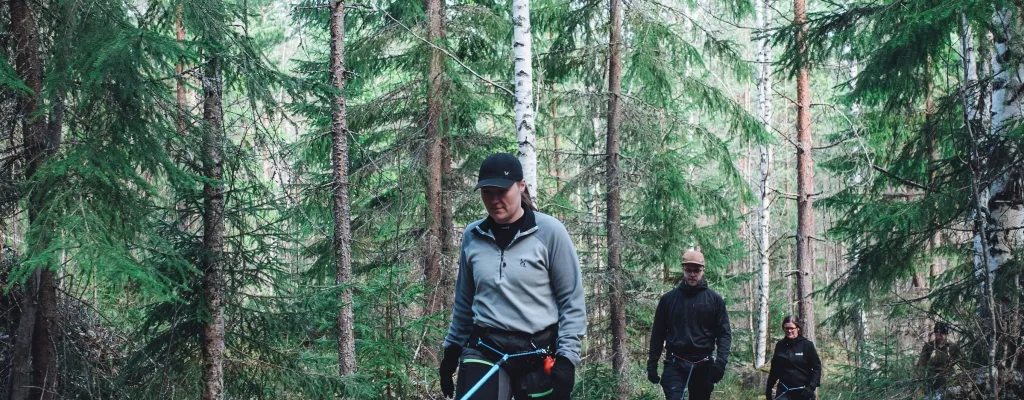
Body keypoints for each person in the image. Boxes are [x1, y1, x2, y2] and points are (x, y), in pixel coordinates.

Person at [438, 153, 586, 400]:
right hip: (485, 349)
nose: (494, 200)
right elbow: (464, 302)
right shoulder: (473, 236)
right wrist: (451, 351)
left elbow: (572, 302)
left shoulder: (550, 233)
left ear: (521, 186)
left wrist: (567, 359)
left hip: (538, 353)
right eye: (487, 192)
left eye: (502, 191)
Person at [647, 249, 733, 400]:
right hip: (675, 363)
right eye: (688, 270)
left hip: (704, 364)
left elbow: (724, 334)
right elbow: (658, 334)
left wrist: (720, 363)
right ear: (683, 270)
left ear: (703, 270)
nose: (692, 274)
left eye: (696, 270)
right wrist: (652, 364)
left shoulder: (714, 300)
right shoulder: (668, 300)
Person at [765, 315, 822, 400]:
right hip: (784, 390)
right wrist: (768, 389)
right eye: (786, 328)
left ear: (798, 328)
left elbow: (817, 367)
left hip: (803, 391)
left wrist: (811, 388)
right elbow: (774, 369)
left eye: (792, 328)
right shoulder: (780, 345)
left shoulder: (807, 345)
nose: (789, 331)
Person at [917, 322, 959, 397]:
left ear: (946, 334)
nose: (939, 337)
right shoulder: (928, 346)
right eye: (937, 334)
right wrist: (920, 385)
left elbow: (960, 365)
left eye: (942, 334)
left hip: (949, 381)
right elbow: (921, 366)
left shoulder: (953, 347)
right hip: (931, 381)